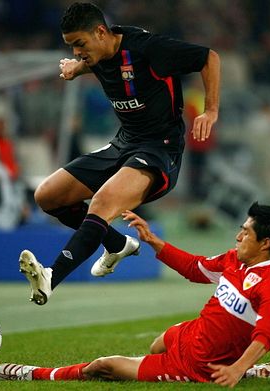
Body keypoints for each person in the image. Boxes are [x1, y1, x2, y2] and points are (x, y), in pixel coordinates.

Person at [20, 2, 220, 305]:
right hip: (123, 144)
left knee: (101, 202)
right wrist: (78, 68)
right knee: (47, 196)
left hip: (159, 149)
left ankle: (51, 276)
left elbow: (209, 57)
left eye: (79, 44)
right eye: (71, 47)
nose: (76, 52)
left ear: (101, 32)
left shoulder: (148, 49)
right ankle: (116, 244)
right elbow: (96, 60)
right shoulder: (99, 51)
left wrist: (211, 110)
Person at [0, 202, 270, 386]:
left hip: (196, 365)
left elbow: (266, 334)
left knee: (104, 366)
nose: (238, 235)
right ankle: (251, 372)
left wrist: (236, 368)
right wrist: (152, 240)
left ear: (266, 244)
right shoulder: (235, 260)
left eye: (246, 232)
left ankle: (35, 374)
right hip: (190, 334)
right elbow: (196, 268)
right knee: (156, 345)